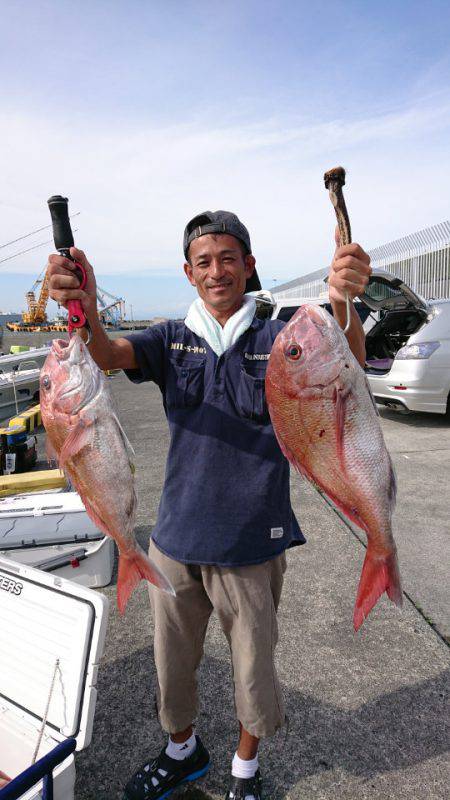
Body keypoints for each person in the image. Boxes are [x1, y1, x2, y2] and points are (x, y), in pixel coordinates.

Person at [46, 211, 371, 800]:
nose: (216, 271)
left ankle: (245, 771)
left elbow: (342, 357)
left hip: (252, 541)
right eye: (203, 262)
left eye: (228, 258)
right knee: (172, 667)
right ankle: (182, 753)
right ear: (189, 273)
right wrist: (85, 301)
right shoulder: (170, 338)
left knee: (253, 670)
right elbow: (103, 351)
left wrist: (343, 300)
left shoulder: (280, 338)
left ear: (249, 265)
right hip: (172, 542)